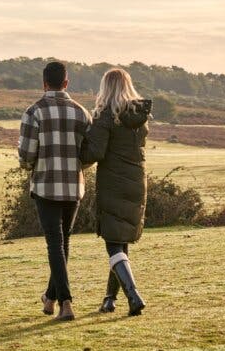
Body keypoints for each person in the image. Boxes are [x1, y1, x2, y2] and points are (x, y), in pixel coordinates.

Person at [18, 62, 92, 321]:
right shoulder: (82, 113)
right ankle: (50, 299)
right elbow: (89, 154)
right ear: (66, 82)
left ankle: (66, 303)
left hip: (46, 185)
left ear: (44, 83)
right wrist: (77, 165)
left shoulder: (34, 111)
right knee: (63, 242)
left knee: (55, 244)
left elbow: (26, 154)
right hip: (73, 186)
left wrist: (31, 165)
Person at [81, 68, 151, 316]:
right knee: (121, 242)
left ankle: (133, 296)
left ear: (106, 88)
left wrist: (75, 155)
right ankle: (110, 299)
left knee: (113, 244)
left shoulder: (105, 117)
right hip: (136, 181)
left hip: (113, 183)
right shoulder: (139, 116)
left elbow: (96, 153)